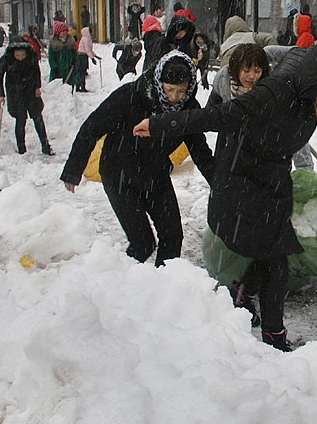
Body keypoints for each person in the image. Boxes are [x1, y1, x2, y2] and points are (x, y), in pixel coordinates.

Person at [132, 38, 317, 351]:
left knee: (269, 254)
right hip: (241, 182)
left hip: (272, 183)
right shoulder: (275, 93)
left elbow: (297, 54)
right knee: (277, 260)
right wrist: (161, 124)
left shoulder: (315, 95)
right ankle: (273, 336)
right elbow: (219, 116)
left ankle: (243, 293)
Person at [61, 51, 215, 267]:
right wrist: (73, 170)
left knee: (172, 237)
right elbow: (92, 127)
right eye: (170, 90)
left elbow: (200, 150)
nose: (174, 97)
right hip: (120, 174)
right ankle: (122, 286)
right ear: (159, 80)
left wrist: (219, 184)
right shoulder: (132, 96)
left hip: (156, 176)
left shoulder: (188, 109)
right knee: (142, 243)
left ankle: (161, 286)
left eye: (181, 91)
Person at [0, 41, 53, 156]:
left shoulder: (31, 58)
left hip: (31, 92)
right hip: (15, 94)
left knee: (38, 118)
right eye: (17, 56)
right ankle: (21, 147)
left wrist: (37, 86)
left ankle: (45, 144)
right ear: (13, 54)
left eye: (23, 55)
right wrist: (1, 95)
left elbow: (37, 72)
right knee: (20, 120)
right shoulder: (6, 60)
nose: (20, 58)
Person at [68, 26, 99, 93]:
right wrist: (92, 58)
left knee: (82, 72)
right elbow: (87, 50)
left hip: (84, 56)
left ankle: (80, 86)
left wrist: (95, 56)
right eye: (90, 32)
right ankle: (81, 87)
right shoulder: (86, 39)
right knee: (81, 72)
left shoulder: (87, 39)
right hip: (82, 57)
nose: (91, 33)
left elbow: (89, 50)